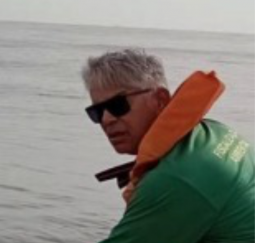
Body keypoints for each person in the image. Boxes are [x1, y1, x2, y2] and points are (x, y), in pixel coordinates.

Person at [82, 48, 255, 242]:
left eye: (117, 105)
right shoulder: (215, 132)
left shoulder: (175, 179)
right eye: (97, 112)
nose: (106, 120)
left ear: (160, 100)